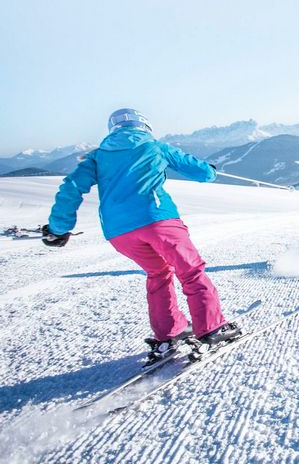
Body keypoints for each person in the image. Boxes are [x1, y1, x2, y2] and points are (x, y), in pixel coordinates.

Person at [42, 108, 241, 361]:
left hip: (119, 232)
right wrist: (210, 170)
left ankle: (170, 333)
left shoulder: (97, 157)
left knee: (158, 273)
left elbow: (71, 188)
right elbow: (199, 171)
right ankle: (211, 328)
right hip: (158, 221)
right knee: (190, 272)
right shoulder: (154, 147)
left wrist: (58, 229)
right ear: (144, 126)